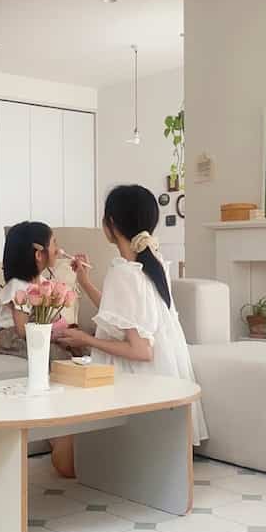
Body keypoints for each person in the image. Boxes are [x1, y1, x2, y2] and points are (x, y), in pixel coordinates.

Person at [56, 184, 209, 450]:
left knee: (69, 453)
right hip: (164, 379)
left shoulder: (124, 273)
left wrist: (86, 339)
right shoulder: (152, 263)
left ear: (111, 224)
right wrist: (84, 281)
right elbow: (122, 316)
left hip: (138, 382)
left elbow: (141, 351)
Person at [0, 220, 78, 476]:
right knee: (57, 356)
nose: (59, 249)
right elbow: (22, 329)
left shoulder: (43, 282)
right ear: (38, 253)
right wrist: (54, 335)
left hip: (36, 333)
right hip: (12, 336)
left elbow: (44, 320)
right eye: (54, 244)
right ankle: (59, 436)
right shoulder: (18, 287)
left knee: (76, 350)